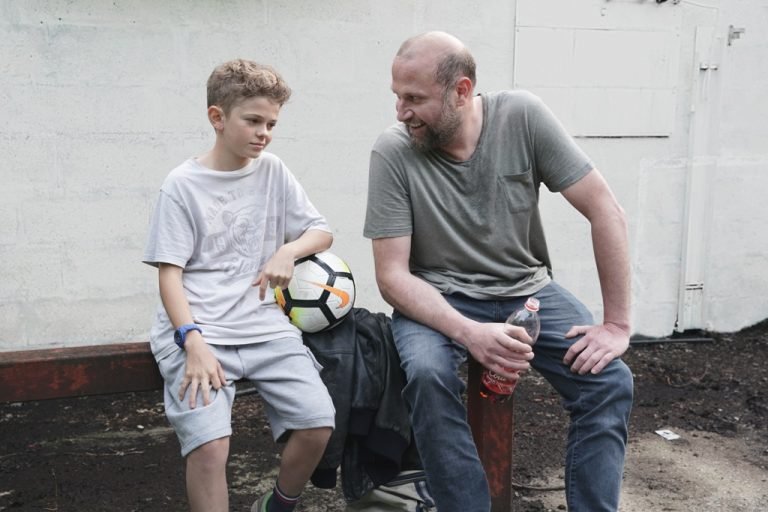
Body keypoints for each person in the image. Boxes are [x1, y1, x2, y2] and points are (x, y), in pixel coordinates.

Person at [363, 31, 633, 512]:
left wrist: (616, 324)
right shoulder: (393, 151)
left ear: (461, 91)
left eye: (414, 99)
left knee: (610, 383)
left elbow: (605, 210)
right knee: (427, 375)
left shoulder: (522, 117)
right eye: (397, 97)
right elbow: (392, 278)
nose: (401, 112)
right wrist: (470, 333)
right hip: (435, 298)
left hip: (525, 291)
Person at [143, 59, 335, 512]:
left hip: (263, 325)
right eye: (253, 121)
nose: (264, 132)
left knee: (317, 424)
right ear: (217, 118)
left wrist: (287, 251)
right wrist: (191, 341)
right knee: (211, 448)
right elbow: (169, 274)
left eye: (271, 123)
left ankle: (277, 505)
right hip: (199, 330)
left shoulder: (273, 171)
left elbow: (320, 231)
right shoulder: (181, 186)